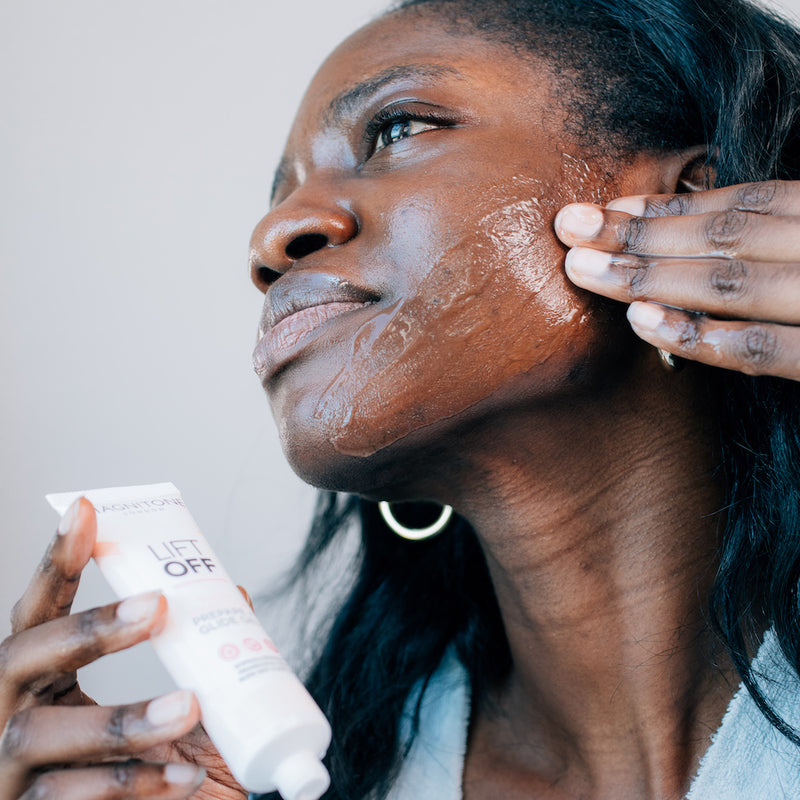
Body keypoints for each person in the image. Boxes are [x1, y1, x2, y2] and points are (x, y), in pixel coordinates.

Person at [2, 0, 799, 797]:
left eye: (396, 130)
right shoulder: (341, 772)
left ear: (699, 204)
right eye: (280, 191)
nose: (271, 238)